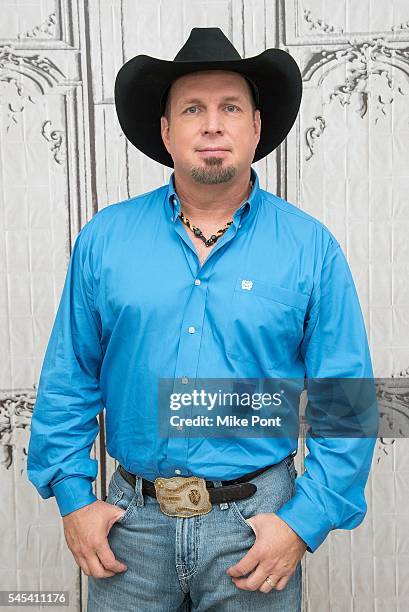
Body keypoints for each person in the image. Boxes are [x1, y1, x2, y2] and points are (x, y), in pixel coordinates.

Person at [27, 27, 377, 611]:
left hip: (255, 529)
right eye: (193, 108)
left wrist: (302, 521)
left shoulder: (310, 249)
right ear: (166, 132)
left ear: (256, 128)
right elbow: (70, 380)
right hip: (128, 531)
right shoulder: (105, 241)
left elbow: (345, 400)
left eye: (230, 107)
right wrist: (73, 498)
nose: (212, 124)